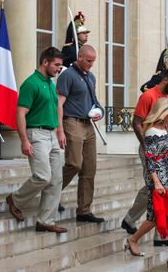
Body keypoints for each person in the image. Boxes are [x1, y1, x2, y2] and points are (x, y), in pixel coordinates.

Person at [124, 97, 168, 271]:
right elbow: (150, 158)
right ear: (163, 113)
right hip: (158, 179)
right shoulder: (152, 132)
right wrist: (156, 182)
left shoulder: (164, 128)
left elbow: (165, 155)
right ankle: (132, 240)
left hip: (167, 176)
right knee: (155, 217)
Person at [121, 67, 168, 248]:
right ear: (165, 79)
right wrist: (146, 145)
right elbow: (136, 122)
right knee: (156, 189)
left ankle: (133, 221)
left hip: (163, 148)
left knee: (155, 188)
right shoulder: (148, 96)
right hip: (149, 148)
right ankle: (159, 236)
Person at [5, 47, 67, 233]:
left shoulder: (50, 83)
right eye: (56, 65)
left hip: (53, 135)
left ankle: (45, 221)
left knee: (56, 180)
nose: (59, 69)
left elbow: (57, 108)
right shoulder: (30, 84)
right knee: (43, 176)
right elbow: (20, 113)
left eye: (60, 65)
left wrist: (60, 130)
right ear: (45, 62)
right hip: (36, 134)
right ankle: (15, 199)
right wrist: (24, 140)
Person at [56, 44, 105, 223]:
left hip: (88, 125)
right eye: (89, 61)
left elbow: (95, 100)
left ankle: (84, 210)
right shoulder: (67, 75)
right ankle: (51, 194)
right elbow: (58, 103)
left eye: (93, 61)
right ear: (80, 57)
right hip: (71, 121)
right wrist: (59, 128)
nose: (91, 64)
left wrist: (100, 111)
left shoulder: (90, 77)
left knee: (89, 168)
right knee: (74, 164)